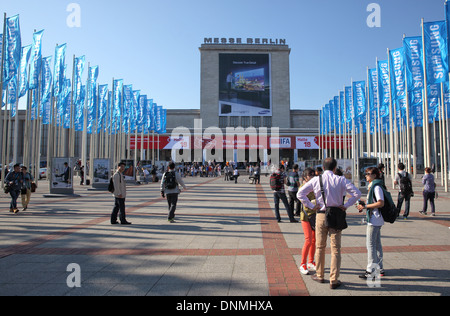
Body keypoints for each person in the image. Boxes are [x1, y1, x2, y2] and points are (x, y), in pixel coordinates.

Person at [298, 157, 361, 289]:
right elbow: (357, 193)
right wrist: (346, 204)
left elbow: (300, 194)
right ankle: (334, 279)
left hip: (321, 214)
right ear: (334, 168)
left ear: (323, 167)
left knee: (320, 246)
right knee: (335, 249)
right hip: (336, 215)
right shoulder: (341, 179)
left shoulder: (316, 179)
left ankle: (320, 275)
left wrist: (310, 205)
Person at [356, 167, 385, 279]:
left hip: (374, 219)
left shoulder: (376, 187)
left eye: (368, 174)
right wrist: (364, 206)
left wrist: (366, 206)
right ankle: (379, 268)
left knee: (371, 245)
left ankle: (371, 271)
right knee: (377, 244)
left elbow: (380, 203)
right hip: (375, 218)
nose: (366, 176)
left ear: (374, 175)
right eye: (366, 173)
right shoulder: (374, 186)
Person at [298, 167, 317, 275]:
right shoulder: (303, 187)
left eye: (313, 174)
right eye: (310, 175)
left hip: (314, 215)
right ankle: (302, 264)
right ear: (305, 177)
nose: (312, 177)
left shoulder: (314, 185)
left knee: (314, 240)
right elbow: (303, 201)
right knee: (308, 240)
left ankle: (311, 261)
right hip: (305, 216)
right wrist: (313, 203)